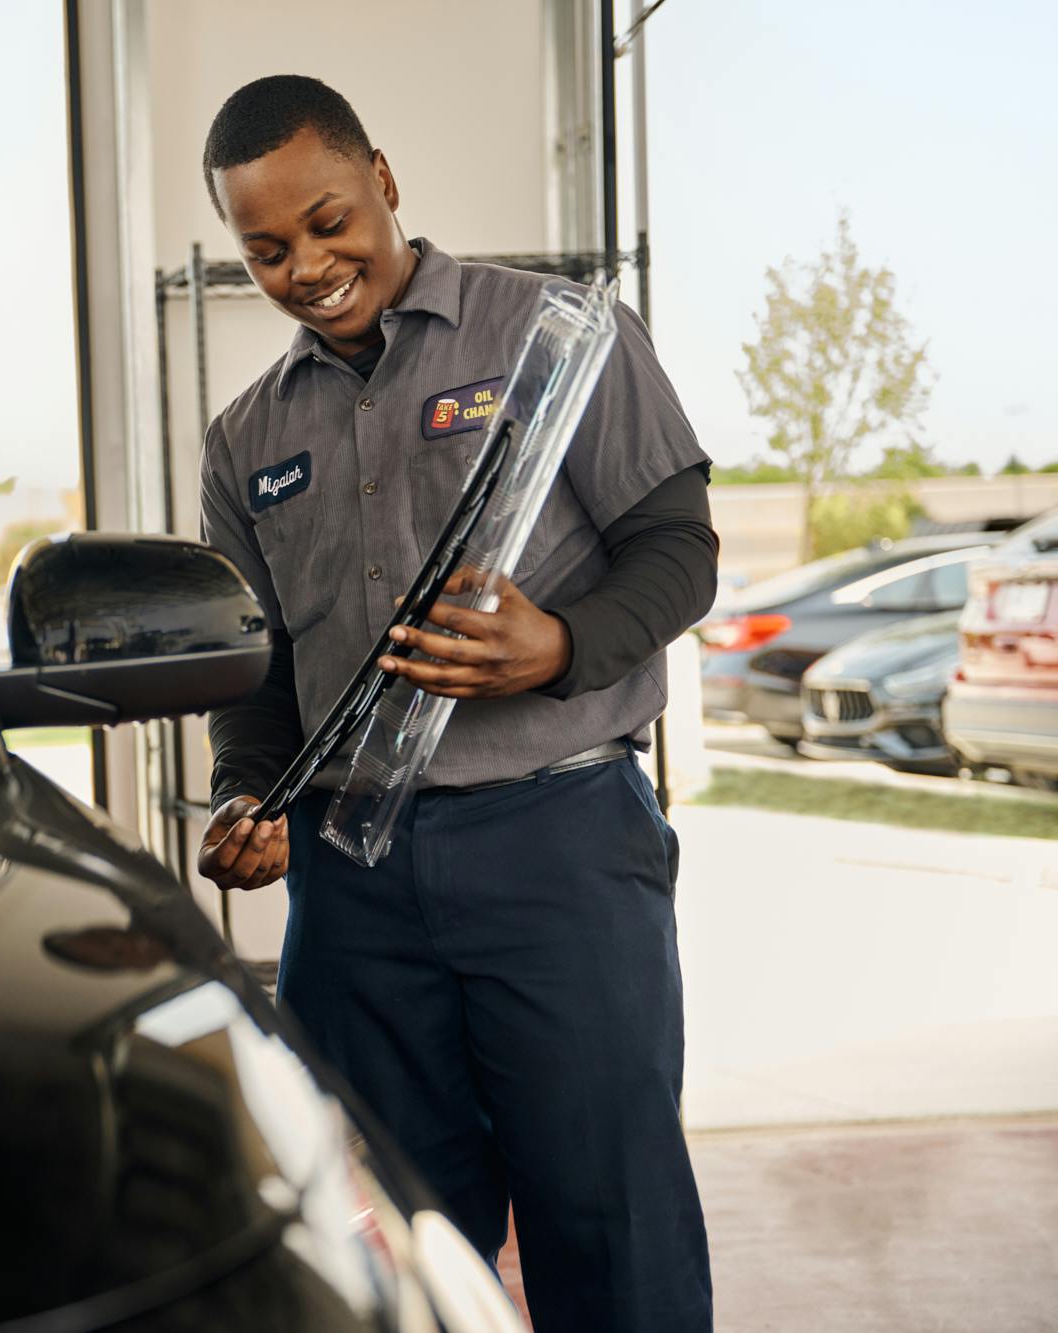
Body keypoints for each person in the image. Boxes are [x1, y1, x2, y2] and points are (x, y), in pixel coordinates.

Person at [194, 76, 716, 1332]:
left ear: (381, 176)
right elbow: (260, 676)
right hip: (351, 882)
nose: (307, 265)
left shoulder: (555, 334)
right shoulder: (241, 437)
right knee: (396, 1235)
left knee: (609, 1213)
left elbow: (676, 547)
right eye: (265, 249)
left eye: (327, 221)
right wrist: (242, 789)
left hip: (557, 848)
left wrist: (560, 643)